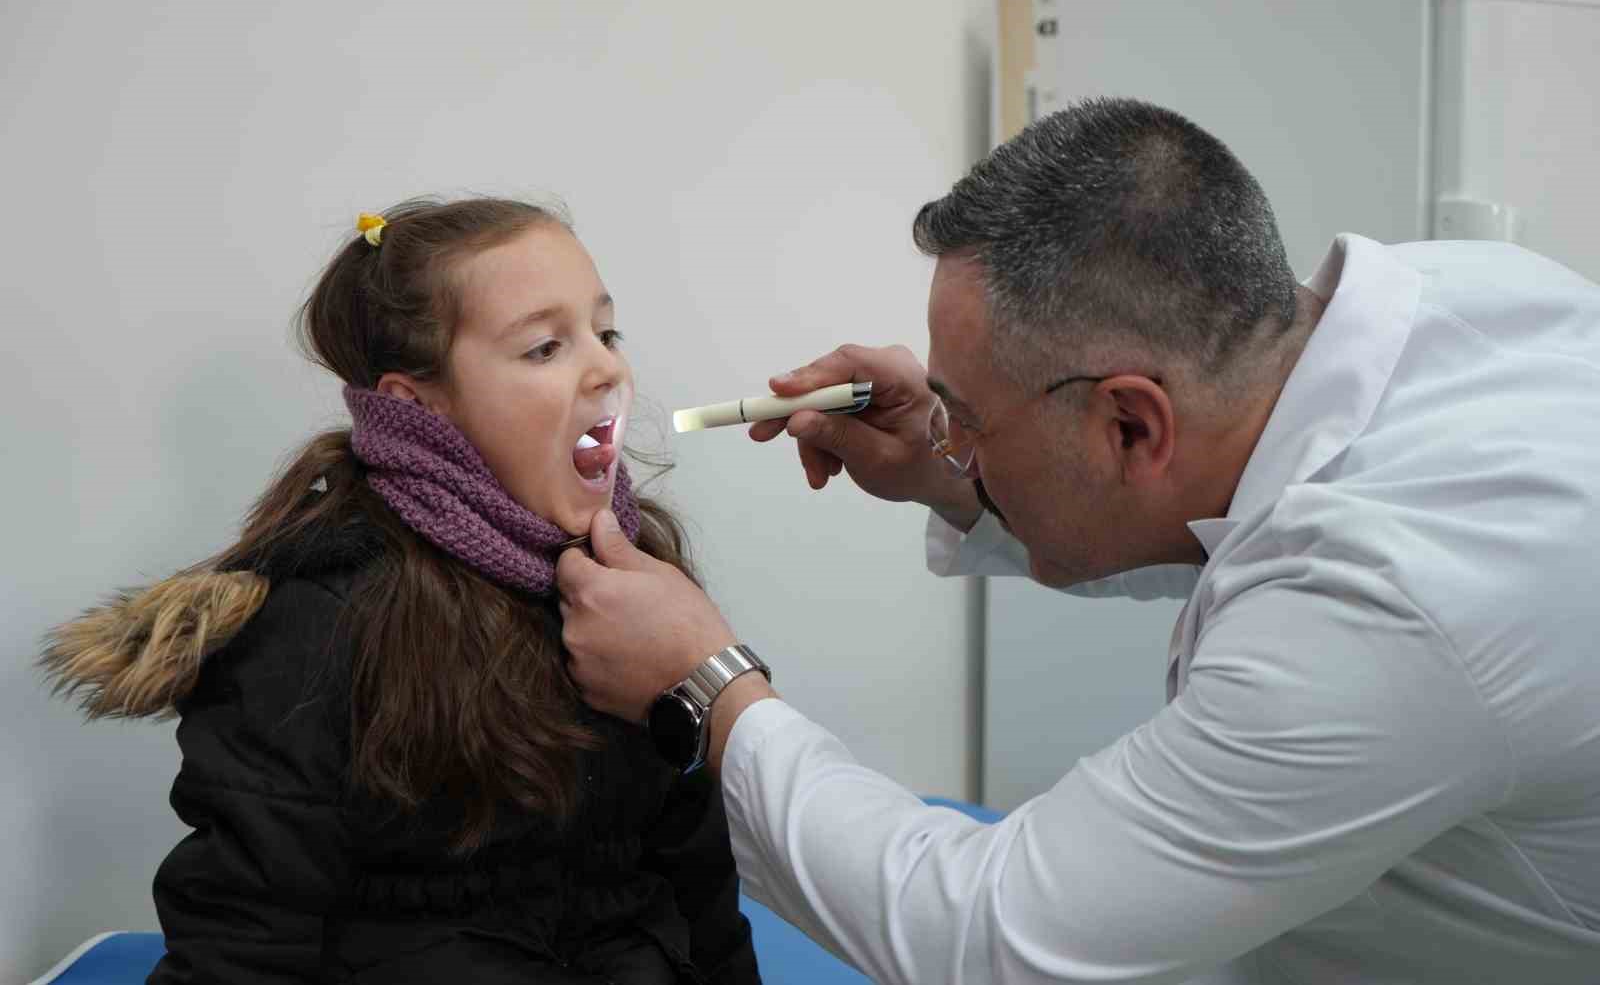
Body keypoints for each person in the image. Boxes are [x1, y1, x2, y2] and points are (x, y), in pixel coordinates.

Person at [555, 99, 1600, 982]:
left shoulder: (1397, 602)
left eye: (968, 416)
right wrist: (946, 461)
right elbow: (1249, 526)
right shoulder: (1455, 298)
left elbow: (982, 935)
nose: (949, 434)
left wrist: (706, 683)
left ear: (1131, 422)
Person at [42, 198, 761, 985]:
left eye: (606, 331)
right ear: (416, 406)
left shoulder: (643, 579)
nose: (608, 367)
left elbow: (699, 884)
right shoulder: (317, 624)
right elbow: (243, 945)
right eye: (546, 347)